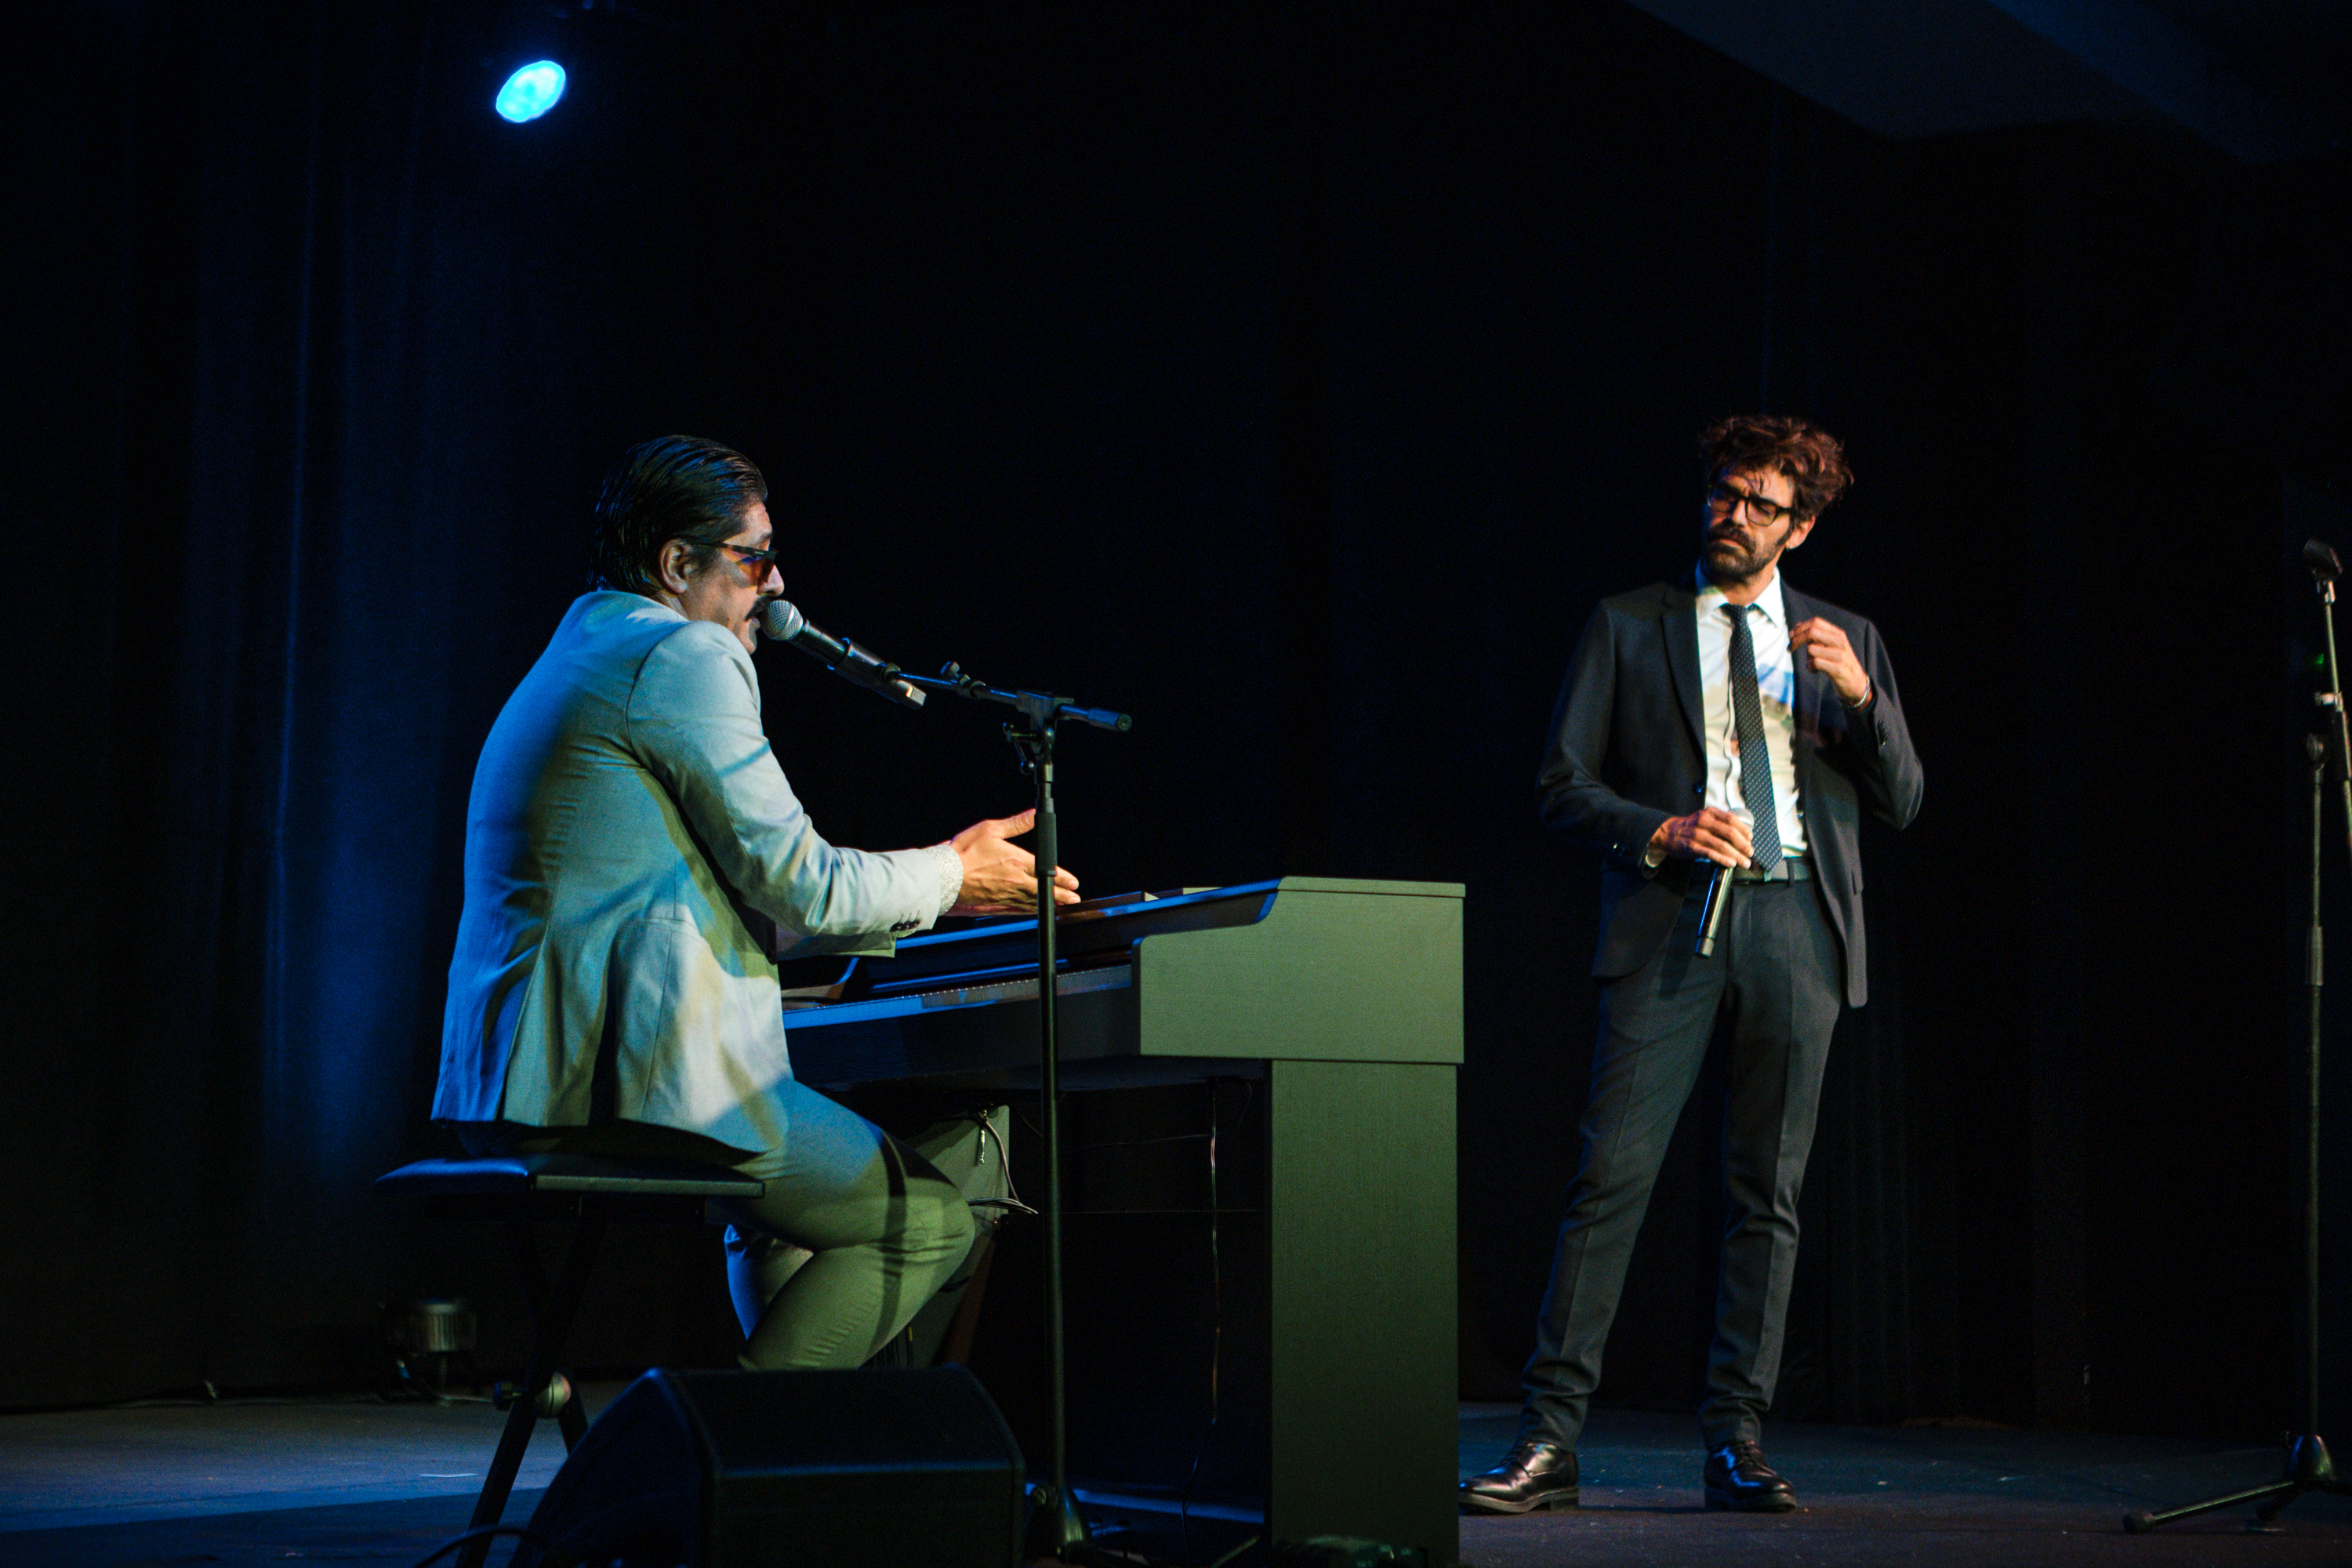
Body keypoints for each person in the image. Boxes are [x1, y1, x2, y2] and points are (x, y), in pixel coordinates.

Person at [432, 434, 1078, 1369]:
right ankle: (719, 1444)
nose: (775, 586)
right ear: (677, 564)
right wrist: (948, 871)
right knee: (926, 1218)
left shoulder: (588, 648)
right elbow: (804, 879)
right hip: (605, 1085)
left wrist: (948, 893)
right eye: (754, 558)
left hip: (523, 1079)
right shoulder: (681, 653)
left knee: (780, 1221)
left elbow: (734, 901)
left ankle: (777, 1450)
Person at [1461, 416, 1922, 1515]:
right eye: (1725, 492)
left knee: (1769, 1194)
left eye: (1762, 505)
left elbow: (1904, 800)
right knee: (1610, 1181)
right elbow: (1560, 784)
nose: (1734, 515)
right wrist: (1659, 828)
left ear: (1800, 527)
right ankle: (1548, 1440)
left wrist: (1862, 699)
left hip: (1798, 924)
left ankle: (1736, 1441)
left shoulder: (1843, 637)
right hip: (1674, 918)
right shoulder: (1632, 622)